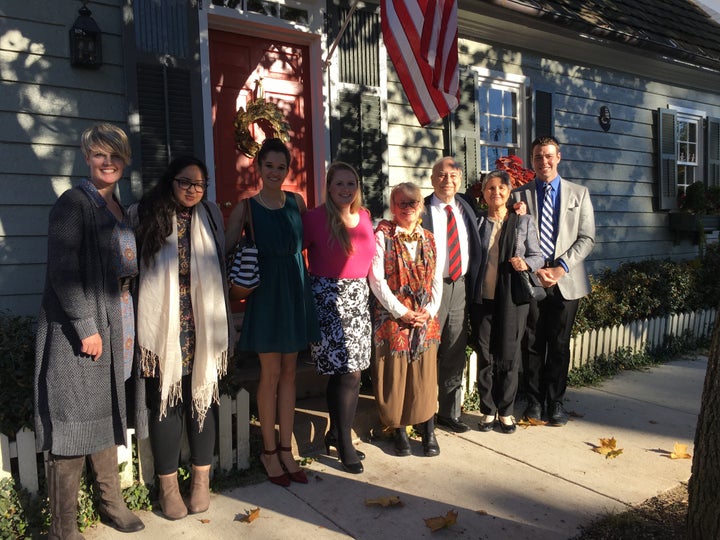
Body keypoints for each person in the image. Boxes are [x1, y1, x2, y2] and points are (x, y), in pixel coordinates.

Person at [34, 123, 145, 538]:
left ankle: (111, 503)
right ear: (87, 157)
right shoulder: (72, 204)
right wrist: (86, 327)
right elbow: (62, 272)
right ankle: (64, 528)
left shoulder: (119, 208)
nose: (109, 162)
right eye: (101, 154)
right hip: (80, 328)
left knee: (105, 410)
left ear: (125, 160)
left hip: (120, 319)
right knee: (73, 421)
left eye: (116, 155)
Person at [133, 156, 233, 520]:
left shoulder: (210, 216)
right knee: (166, 403)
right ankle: (168, 487)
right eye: (185, 182)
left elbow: (220, 267)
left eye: (199, 184)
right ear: (170, 181)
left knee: (202, 401)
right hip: (165, 326)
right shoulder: (147, 213)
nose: (192, 189)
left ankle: (201, 483)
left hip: (202, 325)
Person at [225, 138, 319, 486]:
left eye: (281, 167)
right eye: (269, 166)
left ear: (287, 169)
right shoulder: (246, 208)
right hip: (265, 293)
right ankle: (268, 451)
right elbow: (225, 248)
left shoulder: (297, 201)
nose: (275, 172)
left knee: (291, 371)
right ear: (258, 168)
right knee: (270, 372)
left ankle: (285, 448)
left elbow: (316, 240)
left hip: (295, 288)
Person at [511, 136, 595, 426]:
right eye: (537, 157)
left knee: (559, 344)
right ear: (532, 160)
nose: (543, 162)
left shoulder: (578, 194)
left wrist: (559, 268)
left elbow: (587, 238)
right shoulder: (519, 196)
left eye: (548, 156)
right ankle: (534, 401)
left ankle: (555, 402)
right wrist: (535, 270)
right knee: (532, 342)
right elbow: (515, 240)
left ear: (558, 157)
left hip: (566, 279)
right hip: (532, 279)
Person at [302, 162, 375, 474]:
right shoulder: (316, 218)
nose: (346, 190)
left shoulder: (366, 216)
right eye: (339, 184)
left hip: (359, 297)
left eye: (351, 184)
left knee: (353, 371)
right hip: (328, 299)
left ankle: (336, 432)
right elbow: (294, 253)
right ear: (329, 187)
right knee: (344, 372)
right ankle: (344, 441)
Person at [369, 182, 443, 457]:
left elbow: (437, 278)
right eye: (401, 203)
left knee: (425, 376)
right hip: (393, 317)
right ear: (393, 206)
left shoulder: (430, 238)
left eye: (413, 202)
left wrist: (430, 310)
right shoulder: (383, 235)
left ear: (420, 206)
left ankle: (428, 430)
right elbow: (376, 279)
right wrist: (401, 311)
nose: (407, 208)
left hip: (424, 317)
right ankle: (399, 430)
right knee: (396, 376)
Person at [470, 170, 543, 434]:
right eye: (490, 188)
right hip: (483, 298)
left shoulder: (522, 221)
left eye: (501, 188)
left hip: (513, 298)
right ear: (484, 192)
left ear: (509, 192)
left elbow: (538, 256)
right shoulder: (477, 222)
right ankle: (488, 410)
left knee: (509, 355)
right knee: (486, 354)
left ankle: (506, 411)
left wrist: (525, 263)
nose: (496, 193)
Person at [420, 157, 483, 433]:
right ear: (433, 179)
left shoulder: (466, 206)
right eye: (442, 175)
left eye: (454, 175)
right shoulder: (420, 209)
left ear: (460, 179)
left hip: (460, 286)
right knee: (426, 351)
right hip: (430, 289)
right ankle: (423, 415)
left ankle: (449, 413)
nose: (448, 180)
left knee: (455, 350)